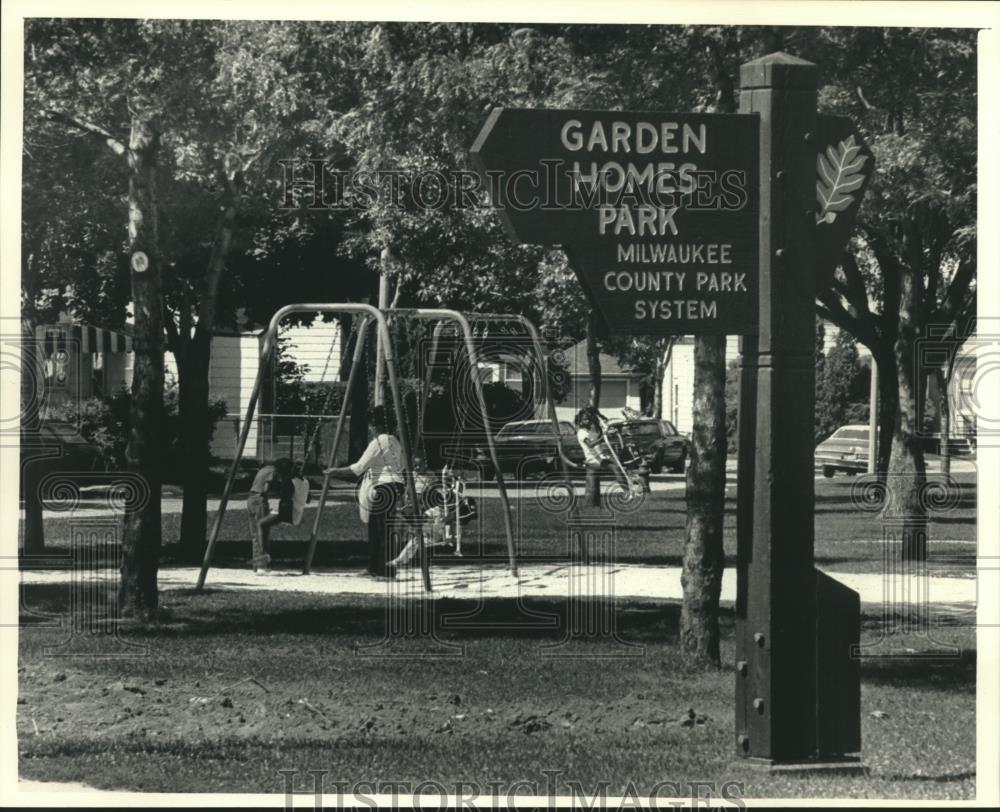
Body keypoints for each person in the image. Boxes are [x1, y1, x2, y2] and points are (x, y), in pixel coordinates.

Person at [324, 405, 405, 578]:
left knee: (381, 530)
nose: (370, 428)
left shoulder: (379, 441)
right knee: (377, 529)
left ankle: (384, 570)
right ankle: (375, 567)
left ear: (376, 425)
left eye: (371, 425)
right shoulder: (395, 441)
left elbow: (358, 467)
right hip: (394, 485)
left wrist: (335, 471)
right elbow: (402, 464)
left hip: (385, 486)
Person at [247, 457, 295, 574]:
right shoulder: (272, 472)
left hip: (250, 499)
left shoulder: (264, 469)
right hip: (260, 500)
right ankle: (262, 565)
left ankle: (257, 565)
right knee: (263, 532)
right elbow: (266, 488)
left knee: (255, 534)